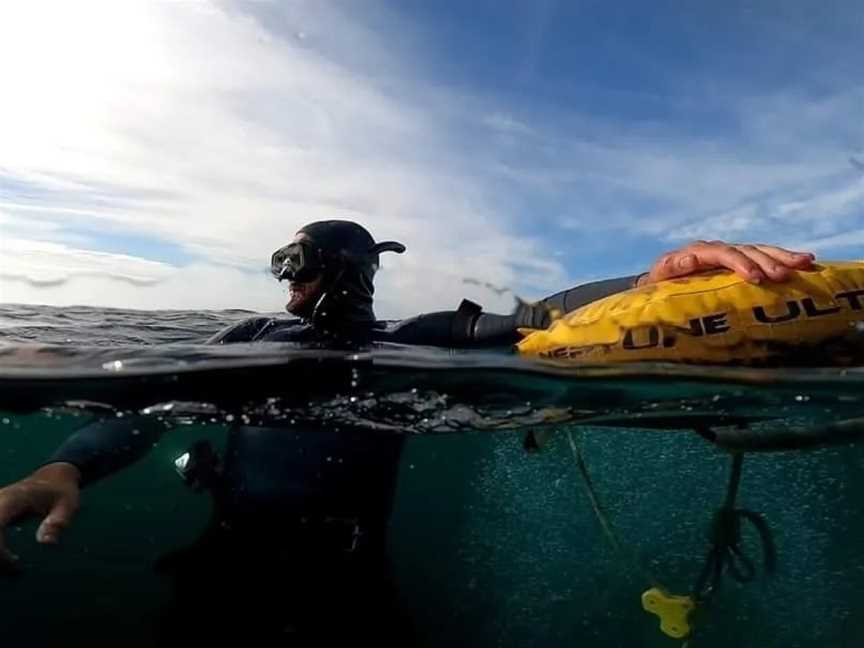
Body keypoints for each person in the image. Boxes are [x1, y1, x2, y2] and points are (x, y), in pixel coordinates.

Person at [0, 222, 815, 645]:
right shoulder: (246, 339)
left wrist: (647, 280)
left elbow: (543, 316)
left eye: (295, 263)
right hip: (226, 567)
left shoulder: (413, 339)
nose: (284, 282)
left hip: (348, 587)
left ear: (343, 267)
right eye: (280, 267)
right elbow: (156, 403)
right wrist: (71, 463)